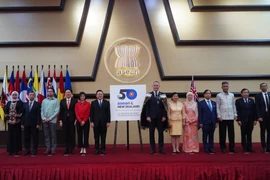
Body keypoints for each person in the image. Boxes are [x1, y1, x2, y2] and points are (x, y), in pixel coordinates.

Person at [145, 81, 168, 154]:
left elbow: (165, 107)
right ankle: (153, 149)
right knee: (151, 133)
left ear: (159, 86)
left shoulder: (163, 95)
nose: (156, 87)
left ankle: (161, 148)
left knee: (161, 133)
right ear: (152, 86)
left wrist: (164, 116)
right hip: (151, 117)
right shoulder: (148, 95)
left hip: (160, 118)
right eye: (154, 85)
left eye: (157, 85)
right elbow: (146, 106)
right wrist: (147, 116)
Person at [216, 82, 237, 153]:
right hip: (222, 117)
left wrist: (235, 114)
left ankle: (232, 147)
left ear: (228, 87)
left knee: (231, 134)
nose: (225, 87)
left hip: (231, 116)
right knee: (222, 134)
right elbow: (217, 106)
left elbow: (233, 105)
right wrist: (219, 116)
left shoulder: (232, 95)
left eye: (226, 86)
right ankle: (223, 147)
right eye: (224, 86)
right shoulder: (219, 95)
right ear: (222, 87)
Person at [236, 88, 257, 154]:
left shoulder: (251, 100)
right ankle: (244, 148)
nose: (245, 94)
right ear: (241, 94)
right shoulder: (238, 101)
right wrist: (238, 120)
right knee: (243, 134)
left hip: (251, 120)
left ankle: (249, 147)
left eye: (247, 92)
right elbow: (237, 111)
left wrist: (255, 119)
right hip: (242, 120)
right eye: (244, 92)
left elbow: (254, 111)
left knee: (249, 134)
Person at [90, 90, 110, 155]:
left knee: (103, 137)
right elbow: (91, 113)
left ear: (103, 95)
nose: (100, 95)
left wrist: (108, 121)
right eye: (98, 94)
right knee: (96, 137)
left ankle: (103, 149)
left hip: (104, 123)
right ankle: (97, 149)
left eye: (101, 94)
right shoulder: (93, 103)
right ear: (96, 95)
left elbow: (108, 113)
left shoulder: (107, 102)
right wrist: (91, 121)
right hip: (95, 122)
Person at [21, 91, 41, 156]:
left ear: (34, 96)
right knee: (26, 137)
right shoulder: (24, 104)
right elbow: (23, 115)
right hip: (26, 123)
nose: (31, 96)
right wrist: (22, 123)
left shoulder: (37, 104)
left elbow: (38, 114)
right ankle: (27, 150)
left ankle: (34, 150)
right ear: (28, 96)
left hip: (34, 124)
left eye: (33, 95)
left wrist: (38, 123)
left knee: (35, 138)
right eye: (30, 95)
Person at [41, 87, 60, 155]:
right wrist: (43, 118)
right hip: (45, 120)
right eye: (48, 91)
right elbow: (42, 110)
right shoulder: (44, 101)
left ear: (53, 92)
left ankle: (53, 149)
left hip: (53, 121)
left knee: (53, 135)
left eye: (51, 91)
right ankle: (48, 148)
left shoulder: (56, 100)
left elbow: (57, 111)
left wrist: (50, 118)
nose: (50, 92)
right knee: (46, 135)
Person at [199, 89, 218, 154]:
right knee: (205, 135)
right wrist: (200, 122)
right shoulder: (201, 103)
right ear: (204, 95)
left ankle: (211, 147)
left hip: (212, 122)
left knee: (211, 136)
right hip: (205, 122)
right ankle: (206, 148)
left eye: (209, 93)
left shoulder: (214, 103)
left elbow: (215, 113)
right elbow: (200, 114)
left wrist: (216, 122)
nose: (208, 94)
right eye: (206, 93)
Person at [4, 91, 23, 156]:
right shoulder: (8, 103)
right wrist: (8, 120)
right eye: (13, 95)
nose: (14, 96)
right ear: (11, 96)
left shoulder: (20, 103)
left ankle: (16, 151)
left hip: (17, 123)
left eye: (15, 95)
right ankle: (10, 150)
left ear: (17, 96)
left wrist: (17, 119)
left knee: (16, 136)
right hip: (10, 123)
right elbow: (6, 111)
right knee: (10, 136)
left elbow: (21, 112)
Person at [60, 89, 77, 155]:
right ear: (65, 94)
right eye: (66, 92)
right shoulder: (62, 101)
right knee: (65, 135)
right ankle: (66, 148)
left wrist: (75, 120)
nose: (68, 93)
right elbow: (61, 112)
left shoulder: (75, 101)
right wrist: (60, 120)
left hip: (72, 120)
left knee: (72, 134)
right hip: (64, 120)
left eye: (69, 92)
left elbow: (76, 111)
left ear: (71, 93)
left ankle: (72, 149)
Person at [255, 83, 270, 153]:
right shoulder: (258, 96)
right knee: (263, 132)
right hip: (262, 117)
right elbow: (257, 107)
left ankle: (269, 146)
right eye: (262, 86)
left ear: (267, 87)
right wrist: (259, 116)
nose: (264, 87)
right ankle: (263, 146)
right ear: (260, 88)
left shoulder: (269, 94)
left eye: (265, 86)